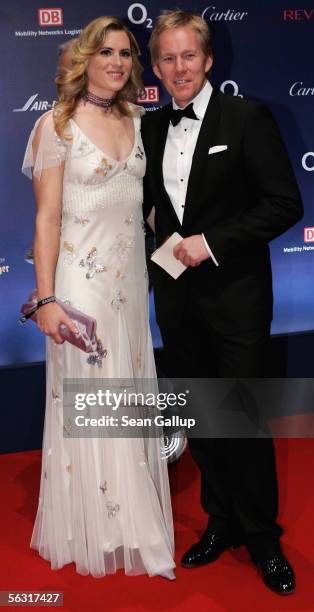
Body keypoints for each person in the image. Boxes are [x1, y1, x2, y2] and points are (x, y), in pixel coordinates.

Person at [141, 9, 303, 594]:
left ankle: (263, 537)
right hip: (177, 304)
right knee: (204, 420)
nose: (178, 68)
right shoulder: (152, 128)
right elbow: (152, 206)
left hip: (236, 298)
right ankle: (221, 522)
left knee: (243, 421)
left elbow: (284, 204)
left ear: (208, 60)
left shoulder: (249, 117)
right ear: (155, 66)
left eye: (188, 56)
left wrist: (210, 242)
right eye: (167, 58)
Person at [22, 16, 175, 579]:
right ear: (85, 57)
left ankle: (128, 519)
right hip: (79, 290)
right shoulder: (56, 125)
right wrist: (45, 302)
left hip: (131, 286)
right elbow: (45, 220)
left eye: (125, 53)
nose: (116, 61)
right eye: (105, 51)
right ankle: (90, 522)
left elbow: (150, 209)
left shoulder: (139, 120)